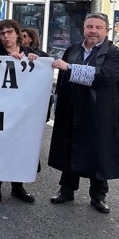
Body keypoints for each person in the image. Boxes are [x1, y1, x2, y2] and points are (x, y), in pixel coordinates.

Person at [49, 12, 119, 214]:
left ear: (106, 31)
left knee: (99, 153)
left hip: (99, 113)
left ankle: (98, 196)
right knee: (70, 148)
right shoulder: (72, 49)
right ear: (84, 29)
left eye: (98, 28)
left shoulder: (114, 53)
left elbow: (104, 77)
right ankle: (66, 189)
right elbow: (61, 79)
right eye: (90, 27)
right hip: (72, 108)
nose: (93, 31)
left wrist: (70, 68)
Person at [0, 19, 40, 203]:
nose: (6, 36)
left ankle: (18, 186)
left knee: (21, 149)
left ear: (18, 33)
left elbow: (44, 73)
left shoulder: (32, 54)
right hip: (0, 111)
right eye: (2, 34)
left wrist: (35, 62)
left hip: (23, 113)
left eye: (9, 32)